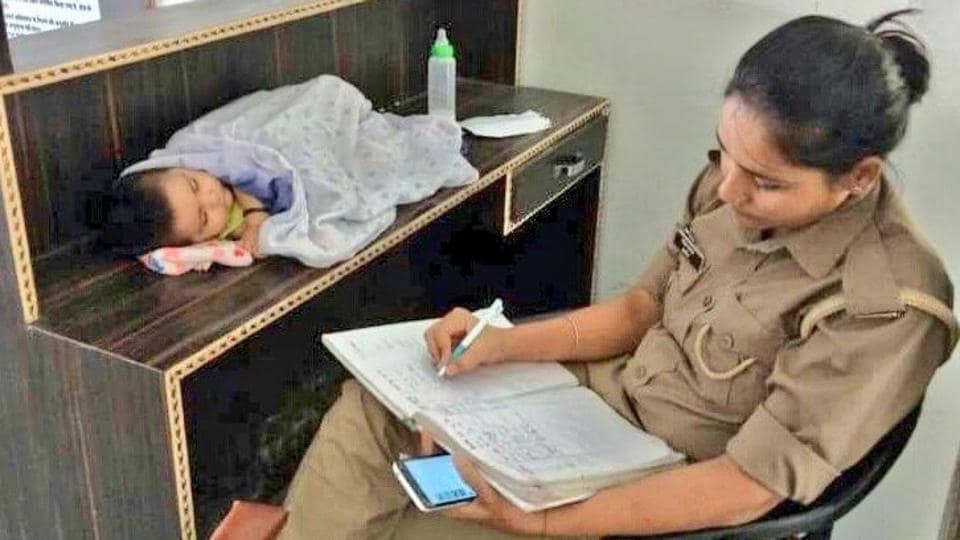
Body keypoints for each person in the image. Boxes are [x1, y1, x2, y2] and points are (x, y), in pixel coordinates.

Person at [278, 9, 957, 538]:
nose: (728, 190)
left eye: (765, 182)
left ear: (858, 178)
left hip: (659, 491)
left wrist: (543, 522)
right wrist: (500, 344)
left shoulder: (885, 306)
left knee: (395, 521)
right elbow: (640, 308)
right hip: (593, 411)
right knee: (377, 410)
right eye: (726, 153)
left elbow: (746, 487)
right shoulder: (730, 189)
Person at [102, 167, 273, 256]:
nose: (212, 198)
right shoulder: (232, 233)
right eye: (204, 218)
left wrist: (255, 216)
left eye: (194, 185)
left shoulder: (211, 164)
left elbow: (241, 170)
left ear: (179, 167)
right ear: (200, 242)